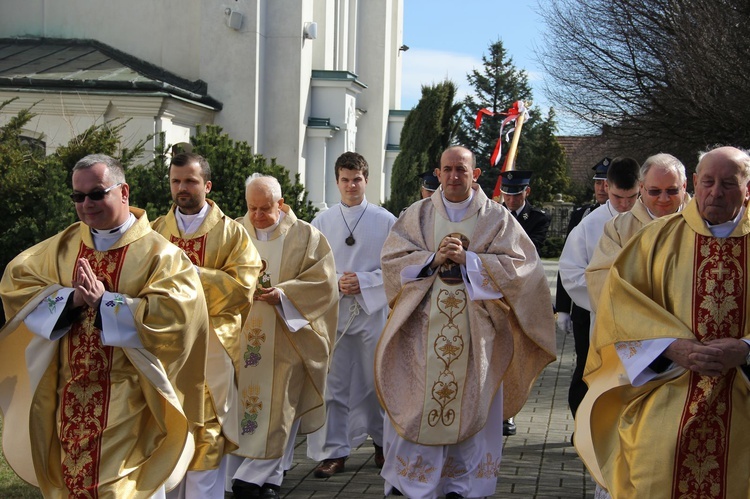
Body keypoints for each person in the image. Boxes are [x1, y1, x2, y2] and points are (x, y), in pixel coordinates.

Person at [0, 154, 209, 498]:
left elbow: (178, 318)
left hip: (131, 400)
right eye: (78, 197)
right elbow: (16, 284)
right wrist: (72, 300)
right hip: (67, 399)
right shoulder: (63, 247)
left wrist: (107, 303)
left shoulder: (161, 255)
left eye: (96, 194)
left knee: (120, 490)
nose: (86, 205)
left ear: (124, 192)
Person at [375, 145, 556, 498]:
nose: (455, 176)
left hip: (477, 335)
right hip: (422, 330)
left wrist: (471, 261)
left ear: (475, 174)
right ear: (438, 173)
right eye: (448, 169)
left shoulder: (497, 218)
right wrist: (432, 258)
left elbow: (523, 270)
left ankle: (466, 485)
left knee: (475, 407)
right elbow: (391, 262)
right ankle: (414, 482)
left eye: (462, 169)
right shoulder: (418, 215)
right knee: (417, 404)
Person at [575, 146, 750, 499]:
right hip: (667, 386)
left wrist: (745, 349)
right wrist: (672, 346)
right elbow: (618, 305)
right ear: (696, 184)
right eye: (709, 182)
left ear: (747, 188)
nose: (716, 192)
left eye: (729, 183)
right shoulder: (653, 240)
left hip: (742, 390)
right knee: (653, 469)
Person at [152, 152, 260, 499]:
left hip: (212, 348)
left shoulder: (232, 233)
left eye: (190, 181)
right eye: (176, 181)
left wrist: (192, 275)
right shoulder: (154, 231)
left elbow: (244, 288)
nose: (182, 188)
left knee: (207, 429)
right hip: (165, 347)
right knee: (166, 426)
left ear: (207, 185)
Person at [227, 174, 339, 499]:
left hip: (288, 336)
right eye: (252, 208)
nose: (258, 216)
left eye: (265, 208)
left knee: (281, 407)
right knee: (247, 410)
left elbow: (324, 283)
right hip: (242, 338)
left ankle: (251, 479)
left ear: (280, 203)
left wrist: (284, 295)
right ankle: (270, 478)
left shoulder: (306, 236)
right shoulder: (234, 232)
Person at [306, 151, 397, 478]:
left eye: (356, 179)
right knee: (335, 385)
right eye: (345, 180)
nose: (351, 185)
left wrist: (366, 281)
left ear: (366, 180)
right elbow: (311, 269)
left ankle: (384, 445)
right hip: (335, 314)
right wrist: (336, 282)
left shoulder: (386, 221)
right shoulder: (321, 223)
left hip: (372, 313)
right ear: (337, 182)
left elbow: (398, 267)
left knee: (378, 381)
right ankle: (334, 452)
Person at [558, 157, 639, 419]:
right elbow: (570, 272)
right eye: (618, 198)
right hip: (603, 317)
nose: (625, 205)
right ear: (607, 187)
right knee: (596, 375)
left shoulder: (653, 220)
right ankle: (589, 427)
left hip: (646, 322)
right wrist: (611, 297)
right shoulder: (590, 224)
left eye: (632, 197)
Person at [585, 153, 689, 312]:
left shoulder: (704, 223)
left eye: (672, 190)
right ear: (641, 187)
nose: (663, 198)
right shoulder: (618, 229)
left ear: (684, 186)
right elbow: (600, 279)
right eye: (654, 191)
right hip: (640, 326)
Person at [554, 157, 610, 400]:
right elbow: (568, 263)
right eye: (598, 182)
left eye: (606, 182)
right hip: (585, 307)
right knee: (585, 365)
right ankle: (581, 422)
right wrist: (564, 308)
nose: (601, 188)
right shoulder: (582, 215)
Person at [499, 169, 551, 254]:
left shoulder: (538, 218)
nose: (512, 200)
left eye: (517, 195)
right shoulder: (494, 213)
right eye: (507, 194)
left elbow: (532, 247)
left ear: (527, 191)